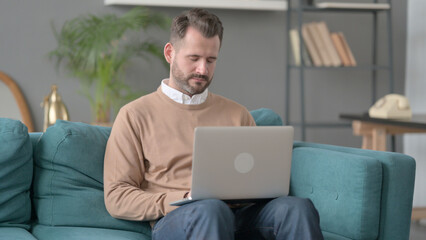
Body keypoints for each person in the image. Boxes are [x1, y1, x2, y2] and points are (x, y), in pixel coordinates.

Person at [104, 8, 323, 240]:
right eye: (194, 58)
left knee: (297, 208)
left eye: (211, 60)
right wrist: (184, 197)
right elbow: (118, 196)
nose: (203, 70)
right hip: (181, 217)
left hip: (240, 213)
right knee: (211, 209)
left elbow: (259, 179)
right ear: (170, 53)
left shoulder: (237, 114)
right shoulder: (135, 115)